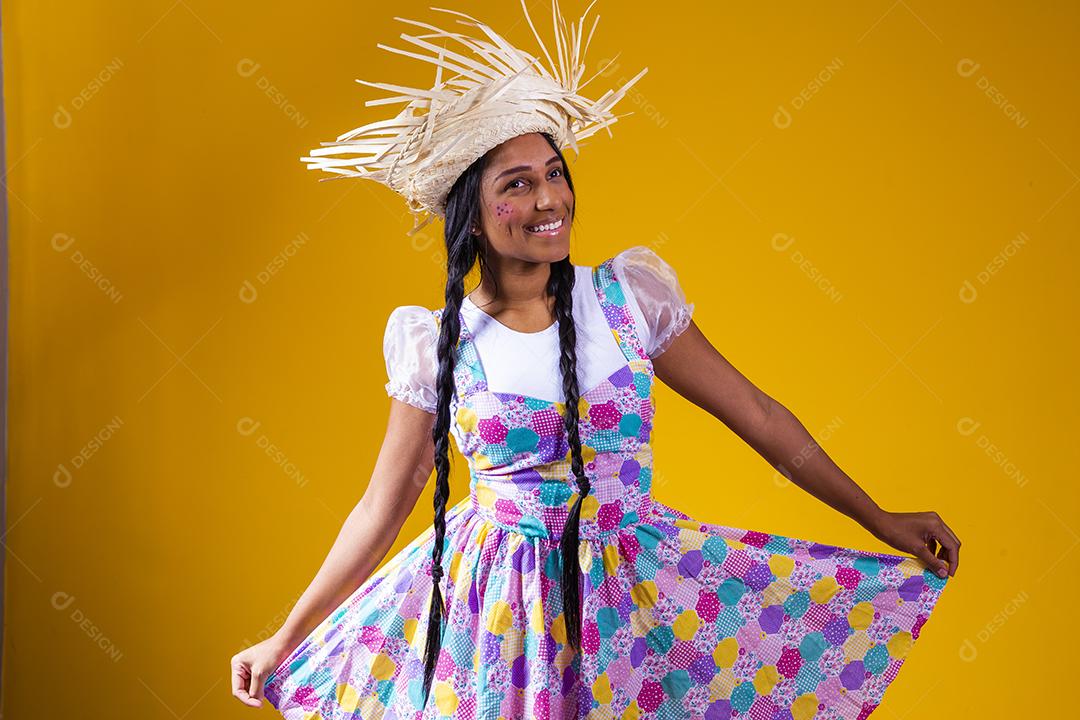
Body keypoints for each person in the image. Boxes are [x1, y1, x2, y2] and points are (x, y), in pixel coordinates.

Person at [231, 3, 959, 718]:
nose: (550, 198)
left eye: (554, 173)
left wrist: (876, 517)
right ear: (471, 213)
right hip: (493, 627)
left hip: (628, 603)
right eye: (517, 183)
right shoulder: (438, 343)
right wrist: (285, 635)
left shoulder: (628, 300)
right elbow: (380, 509)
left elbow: (760, 416)